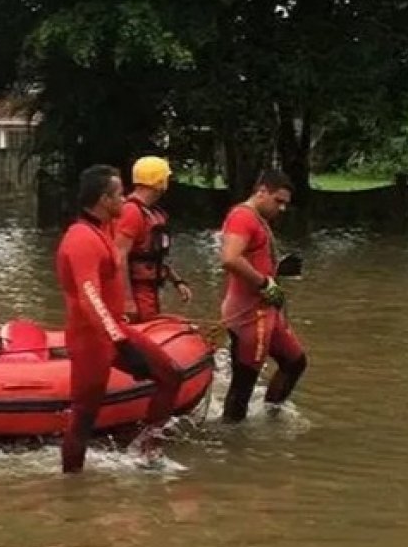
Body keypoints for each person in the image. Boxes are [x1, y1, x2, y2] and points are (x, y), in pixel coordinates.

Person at [54, 164, 200, 473]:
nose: (126, 199)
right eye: (120, 194)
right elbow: (90, 298)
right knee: (84, 416)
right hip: (91, 340)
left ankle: (148, 452)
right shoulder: (81, 239)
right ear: (104, 200)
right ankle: (72, 486)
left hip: (113, 329)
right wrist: (121, 343)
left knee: (170, 375)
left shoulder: (104, 229)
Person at [218, 169, 308, 422]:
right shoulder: (242, 217)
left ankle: (271, 415)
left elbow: (252, 257)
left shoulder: (258, 218)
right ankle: (232, 437)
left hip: (265, 310)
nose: (282, 208)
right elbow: (230, 258)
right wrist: (264, 283)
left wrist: (276, 273)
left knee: (295, 362)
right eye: (278, 201)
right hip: (249, 315)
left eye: (285, 203)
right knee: (243, 383)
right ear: (261, 192)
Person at [114, 155, 192, 322]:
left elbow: (156, 255)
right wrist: (127, 301)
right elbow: (119, 256)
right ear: (159, 181)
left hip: (149, 288)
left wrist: (177, 281)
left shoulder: (152, 212)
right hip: (138, 290)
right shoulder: (131, 212)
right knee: (145, 327)